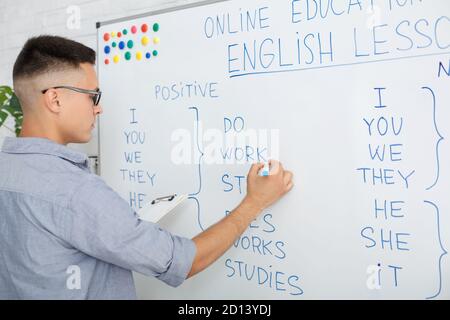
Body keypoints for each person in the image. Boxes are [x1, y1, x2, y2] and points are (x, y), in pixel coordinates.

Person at [0, 36, 294, 299]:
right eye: (93, 95)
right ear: (55, 99)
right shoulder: (75, 192)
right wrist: (254, 203)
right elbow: (184, 261)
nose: (98, 108)